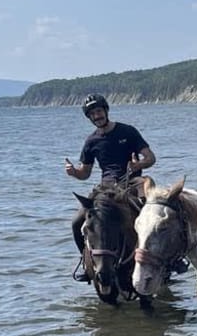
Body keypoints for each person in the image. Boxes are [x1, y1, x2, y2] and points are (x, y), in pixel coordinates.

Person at [63, 92, 156, 271]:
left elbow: (151, 158)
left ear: (106, 110)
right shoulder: (91, 141)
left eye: (98, 111)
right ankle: (87, 263)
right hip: (105, 187)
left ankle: (163, 260)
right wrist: (74, 172)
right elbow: (85, 173)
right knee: (76, 222)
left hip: (132, 181)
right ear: (89, 118)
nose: (96, 116)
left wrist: (139, 165)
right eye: (92, 114)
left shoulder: (127, 131)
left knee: (151, 210)